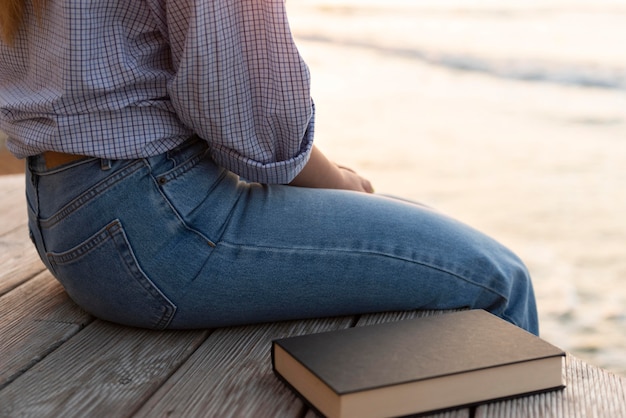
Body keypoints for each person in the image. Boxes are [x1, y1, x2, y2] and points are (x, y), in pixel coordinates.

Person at [0, 0, 538, 334]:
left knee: (423, 236)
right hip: (155, 232)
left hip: (64, 213)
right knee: (497, 278)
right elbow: (246, 117)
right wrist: (344, 184)